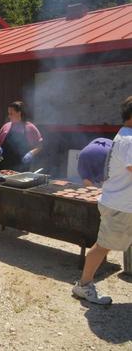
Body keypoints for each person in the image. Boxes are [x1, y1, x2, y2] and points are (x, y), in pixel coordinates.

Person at [72, 96, 132, 305]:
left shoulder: (125, 136)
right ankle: (84, 285)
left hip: (121, 203)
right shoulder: (130, 140)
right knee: (103, 246)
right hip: (121, 206)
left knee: (104, 245)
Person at [0, 101, 43, 172]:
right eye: (8, 113)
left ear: (19, 113)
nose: (9, 116)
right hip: (4, 166)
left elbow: (39, 146)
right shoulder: (6, 126)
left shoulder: (30, 128)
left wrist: (30, 154)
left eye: (11, 114)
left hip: (21, 167)